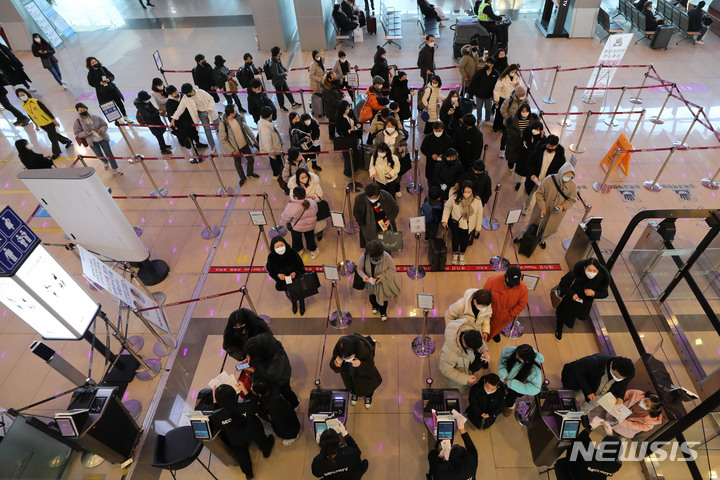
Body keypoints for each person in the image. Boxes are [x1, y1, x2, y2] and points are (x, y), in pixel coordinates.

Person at [210, 384, 275, 479]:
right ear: (235, 395)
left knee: (242, 454)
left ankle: (248, 473)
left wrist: (215, 402)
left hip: (236, 437)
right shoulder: (246, 406)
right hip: (253, 430)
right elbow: (254, 405)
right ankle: (266, 450)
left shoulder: (216, 416)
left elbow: (217, 419)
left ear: (219, 401)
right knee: (261, 439)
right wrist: (245, 391)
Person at [525, 162, 577, 249]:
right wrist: (542, 207)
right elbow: (539, 194)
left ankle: (543, 239)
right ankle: (527, 235)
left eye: (570, 177)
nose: (567, 178)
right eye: (565, 175)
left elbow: (572, 200)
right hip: (542, 209)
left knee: (549, 228)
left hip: (556, 213)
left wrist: (563, 206)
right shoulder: (549, 180)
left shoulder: (573, 186)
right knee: (534, 224)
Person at [555, 258, 610, 341]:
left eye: (594, 271)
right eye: (589, 270)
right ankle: (558, 329)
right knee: (562, 315)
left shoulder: (601, 280)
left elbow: (605, 294)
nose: (591, 273)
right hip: (569, 300)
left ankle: (569, 322)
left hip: (584, 303)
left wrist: (594, 293)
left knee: (575, 315)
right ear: (584, 268)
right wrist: (572, 294)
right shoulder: (574, 274)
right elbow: (563, 284)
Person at [553, 418, 623, 480]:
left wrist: (591, 426)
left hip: (572, 474)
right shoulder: (617, 465)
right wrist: (610, 437)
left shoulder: (589, 456)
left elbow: (579, 441)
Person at [561, 354, 635, 410]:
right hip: (583, 384)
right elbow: (577, 372)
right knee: (571, 396)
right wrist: (588, 391)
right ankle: (563, 407)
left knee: (592, 404)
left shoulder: (627, 374)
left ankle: (582, 413)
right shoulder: (594, 361)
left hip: (600, 392)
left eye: (622, 378)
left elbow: (624, 383)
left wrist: (620, 397)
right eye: (616, 376)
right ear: (612, 365)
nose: (619, 379)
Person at [245, 333, 300, 408]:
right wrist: (251, 360)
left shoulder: (276, 357)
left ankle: (295, 403)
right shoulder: (263, 343)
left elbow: (273, 377)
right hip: (274, 372)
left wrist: (254, 370)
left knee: (286, 392)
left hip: (282, 379)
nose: (248, 356)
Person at [16, 88, 72, 160]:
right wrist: (36, 125)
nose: (21, 96)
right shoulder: (23, 104)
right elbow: (30, 115)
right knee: (54, 135)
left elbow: (47, 111)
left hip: (48, 122)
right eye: (19, 96)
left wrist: (54, 120)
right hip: (40, 123)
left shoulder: (36, 102)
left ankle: (56, 153)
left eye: (23, 94)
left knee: (52, 138)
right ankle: (67, 141)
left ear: (26, 93)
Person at [330, 333, 383, 407]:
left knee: (369, 389)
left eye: (349, 357)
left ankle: (368, 396)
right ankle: (355, 394)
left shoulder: (364, 351)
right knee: (353, 386)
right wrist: (337, 363)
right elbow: (334, 368)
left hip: (365, 378)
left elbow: (371, 370)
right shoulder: (339, 349)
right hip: (350, 378)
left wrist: (360, 365)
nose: (347, 360)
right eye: (345, 358)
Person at [356, 239, 401, 322]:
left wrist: (381, 277)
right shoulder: (364, 256)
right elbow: (359, 269)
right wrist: (364, 276)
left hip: (382, 284)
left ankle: (383, 312)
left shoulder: (386, 256)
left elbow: (392, 270)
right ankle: (375, 306)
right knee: (372, 297)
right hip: (370, 284)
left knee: (383, 300)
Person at [441, 181, 483, 266]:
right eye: (465, 191)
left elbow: (479, 214)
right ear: (461, 190)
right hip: (457, 224)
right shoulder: (455, 197)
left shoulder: (477, 200)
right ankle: (455, 253)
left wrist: (478, 228)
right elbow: (447, 207)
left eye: (469, 192)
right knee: (455, 240)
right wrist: (445, 220)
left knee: (465, 241)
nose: (466, 194)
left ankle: (462, 253)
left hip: (469, 226)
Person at [427, 410, 477, 479]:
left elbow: (435, 469)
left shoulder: (442, 471)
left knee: (432, 454)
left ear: (449, 461)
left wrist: (440, 456)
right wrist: (461, 428)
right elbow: (472, 449)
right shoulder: (472, 463)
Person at [522, 134, 566, 213]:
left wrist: (552, 175)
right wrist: (531, 174)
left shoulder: (560, 156)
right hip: (535, 179)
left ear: (557, 145)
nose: (549, 148)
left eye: (552, 147)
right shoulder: (538, 150)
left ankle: (539, 209)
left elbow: (560, 169)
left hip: (547, 182)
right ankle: (526, 206)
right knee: (529, 194)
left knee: (543, 197)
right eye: (548, 146)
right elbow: (530, 162)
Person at [73, 102, 122, 174]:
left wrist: (100, 130)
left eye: (84, 110)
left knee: (109, 153)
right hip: (91, 141)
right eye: (80, 111)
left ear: (86, 109)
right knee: (99, 155)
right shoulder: (77, 122)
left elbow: (104, 125)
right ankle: (105, 162)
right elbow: (77, 133)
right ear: (78, 111)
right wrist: (85, 133)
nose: (82, 112)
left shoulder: (96, 117)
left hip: (102, 138)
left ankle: (115, 168)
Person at [251, 376, 301, 446]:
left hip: (285, 425)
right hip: (288, 414)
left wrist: (259, 409)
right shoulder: (273, 390)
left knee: (285, 429)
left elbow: (267, 418)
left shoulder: (270, 406)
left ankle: (292, 437)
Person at [483, 266, 529, 342]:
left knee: (497, 328)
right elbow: (484, 296)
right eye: (511, 281)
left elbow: (522, 303)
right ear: (506, 276)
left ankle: (495, 334)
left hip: (504, 317)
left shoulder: (522, 288)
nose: (513, 285)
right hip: (489, 313)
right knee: (485, 327)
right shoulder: (492, 281)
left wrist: (511, 314)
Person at [439, 320, 489, 387]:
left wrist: (484, 350)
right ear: (464, 344)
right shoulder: (448, 353)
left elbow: (480, 341)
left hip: (469, 361)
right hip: (461, 369)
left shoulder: (473, 329)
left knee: (476, 365)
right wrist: (465, 378)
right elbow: (446, 370)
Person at [498, 344, 544, 416]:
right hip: (504, 380)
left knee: (511, 398)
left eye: (519, 357)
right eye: (516, 354)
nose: (516, 357)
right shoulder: (511, 352)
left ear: (527, 361)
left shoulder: (535, 370)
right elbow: (502, 361)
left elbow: (535, 389)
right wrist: (502, 373)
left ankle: (509, 406)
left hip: (516, 388)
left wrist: (512, 384)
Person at [218, 104, 259, 185]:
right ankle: (242, 178)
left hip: (244, 144)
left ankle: (250, 173)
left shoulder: (238, 117)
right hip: (235, 148)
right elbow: (223, 140)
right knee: (238, 164)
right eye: (235, 111)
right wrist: (232, 151)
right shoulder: (223, 124)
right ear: (231, 114)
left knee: (250, 159)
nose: (236, 112)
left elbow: (246, 128)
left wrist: (253, 139)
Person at [171, 83, 219, 151]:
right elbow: (180, 108)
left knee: (218, 125)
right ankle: (212, 145)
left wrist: (209, 109)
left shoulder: (201, 92)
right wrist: (174, 118)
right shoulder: (185, 97)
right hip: (201, 114)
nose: (187, 95)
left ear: (191, 90)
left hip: (210, 111)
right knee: (207, 130)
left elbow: (211, 99)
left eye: (188, 93)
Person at [266, 236, 307, 313]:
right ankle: (294, 303)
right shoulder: (271, 257)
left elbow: (300, 265)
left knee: (301, 293)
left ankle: (302, 304)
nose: (280, 248)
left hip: (297, 279)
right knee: (289, 294)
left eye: (281, 245)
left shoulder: (292, 252)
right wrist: (278, 276)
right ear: (273, 248)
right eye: (277, 246)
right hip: (284, 283)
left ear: (285, 244)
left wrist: (295, 272)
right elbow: (270, 271)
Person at [165, 85, 207, 162]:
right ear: (170, 95)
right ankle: (195, 152)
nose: (176, 93)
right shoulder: (169, 103)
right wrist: (176, 126)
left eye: (176, 91)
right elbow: (171, 115)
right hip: (182, 124)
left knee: (195, 133)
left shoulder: (183, 96)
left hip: (190, 120)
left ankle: (198, 143)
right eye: (174, 93)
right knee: (189, 138)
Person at [86, 57, 132, 123]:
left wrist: (109, 79)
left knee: (119, 103)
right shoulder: (90, 74)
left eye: (95, 61)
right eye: (92, 63)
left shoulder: (103, 68)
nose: (95, 63)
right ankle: (118, 119)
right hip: (103, 93)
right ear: (90, 65)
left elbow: (112, 76)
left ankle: (125, 116)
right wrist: (99, 83)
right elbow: (91, 83)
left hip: (111, 89)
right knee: (110, 106)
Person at [353, 182, 398, 248]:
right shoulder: (359, 198)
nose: (373, 199)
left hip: (384, 223)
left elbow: (395, 208)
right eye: (370, 197)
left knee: (387, 243)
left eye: (374, 197)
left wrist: (389, 220)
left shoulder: (386, 195)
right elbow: (356, 213)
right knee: (371, 245)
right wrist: (362, 225)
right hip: (367, 226)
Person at [281, 186, 319, 259]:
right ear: (305, 194)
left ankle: (299, 250)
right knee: (310, 238)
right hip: (310, 226)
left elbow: (285, 217)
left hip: (297, 227)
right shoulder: (312, 202)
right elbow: (316, 211)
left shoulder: (291, 206)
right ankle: (313, 250)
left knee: (296, 239)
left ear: (295, 196)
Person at [372, 116, 410, 187]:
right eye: (388, 125)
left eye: (392, 126)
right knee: (383, 174)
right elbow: (375, 147)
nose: (390, 127)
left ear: (395, 126)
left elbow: (404, 145)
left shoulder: (399, 135)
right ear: (385, 126)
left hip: (395, 158)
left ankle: (397, 189)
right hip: (383, 158)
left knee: (396, 174)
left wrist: (402, 149)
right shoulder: (380, 136)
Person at [134, 91, 173, 155]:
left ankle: (164, 145)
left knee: (161, 136)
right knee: (159, 136)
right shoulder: (141, 108)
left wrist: (158, 110)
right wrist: (158, 112)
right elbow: (149, 117)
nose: (148, 100)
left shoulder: (147, 104)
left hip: (157, 122)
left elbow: (153, 109)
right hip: (153, 124)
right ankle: (163, 150)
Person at [492, 64, 523, 142]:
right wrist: (496, 99)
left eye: (515, 72)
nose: (514, 73)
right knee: (499, 113)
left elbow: (520, 87)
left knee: (507, 114)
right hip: (503, 98)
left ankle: (503, 127)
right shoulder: (502, 78)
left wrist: (518, 85)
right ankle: (496, 127)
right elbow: (497, 89)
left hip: (512, 98)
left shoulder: (517, 77)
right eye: (512, 71)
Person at [514, 119, 545, 191]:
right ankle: (518, 183)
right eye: (535, 129)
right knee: (519, 173)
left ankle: (526, 186)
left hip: (532, 161)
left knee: (529, 174)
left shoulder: (540, 137)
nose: (535, 131)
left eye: (538, 130)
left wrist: (542, 138)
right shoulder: (526, 133)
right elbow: (519, 145)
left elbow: (542, 147)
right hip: (523, 157)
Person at [335, 100, 363, 179]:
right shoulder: (339, 118)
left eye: (348, 108)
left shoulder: (350, 113)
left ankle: (355, 168)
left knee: (355, 153)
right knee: (347, 157)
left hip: (353, 137)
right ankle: (347, 173)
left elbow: (355, 119)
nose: (348, 110)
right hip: (345, 139)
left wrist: (357, 124)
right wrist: (349, 131)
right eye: (346, 108)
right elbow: (339, 131)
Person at [269, 46, 302, 112]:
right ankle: (282, 107)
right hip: (277, 82)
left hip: (282, 80)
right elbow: (276, 75)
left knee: (288, 91)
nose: (281, 52)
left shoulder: (278, 58)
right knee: (280, 95)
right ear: (277, 53)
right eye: (279, 51)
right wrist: (284, 74)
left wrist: (284, 69)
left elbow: (281, 67)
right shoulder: (273, 63)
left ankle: (293, 103)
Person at [504, 103, 535, 170]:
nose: (525, 113)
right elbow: (509, 130)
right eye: (523, 111)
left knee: (522, 157)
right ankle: (510, 168)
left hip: (525, 142)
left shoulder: (533, 120)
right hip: (514, 141)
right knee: (511, 157)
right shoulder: (513, 119)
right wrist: (518, 133)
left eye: (526, 111)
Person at [469, 56, 499, 126]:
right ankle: (478, 119)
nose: (488, 65)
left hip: (489, 95)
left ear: (493, 65)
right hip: (479, 94)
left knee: (488, 108)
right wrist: (473, 92)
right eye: (487, 63)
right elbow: (474, 81)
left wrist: (495, 95)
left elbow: (497, 85)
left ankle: (487, 120)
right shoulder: (480, 72)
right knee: (479, 108)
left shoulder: (495, 73)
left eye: (490, 64)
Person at [258, 106, 284, 178]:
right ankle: (277, 174)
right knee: (275, 162)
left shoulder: (262, 122)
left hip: (275, 149)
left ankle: (279, 172)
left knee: (277, 162)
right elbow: (267, 143)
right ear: (270, 115)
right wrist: (272, 154)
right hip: (274, 150)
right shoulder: (265, 129)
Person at [322, 72, 343, 139]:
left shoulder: (334, 84)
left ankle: (339, 133)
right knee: (332, 123)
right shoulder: (327, 89)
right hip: (331, 110)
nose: (335, 79)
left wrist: (341, 94)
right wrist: (342, 103)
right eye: (333, 78)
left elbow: (337, 91)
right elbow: (332, 102)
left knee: (337, 121)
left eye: (335, 77)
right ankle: (331, 136)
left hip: (336, 108)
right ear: (329, 79)